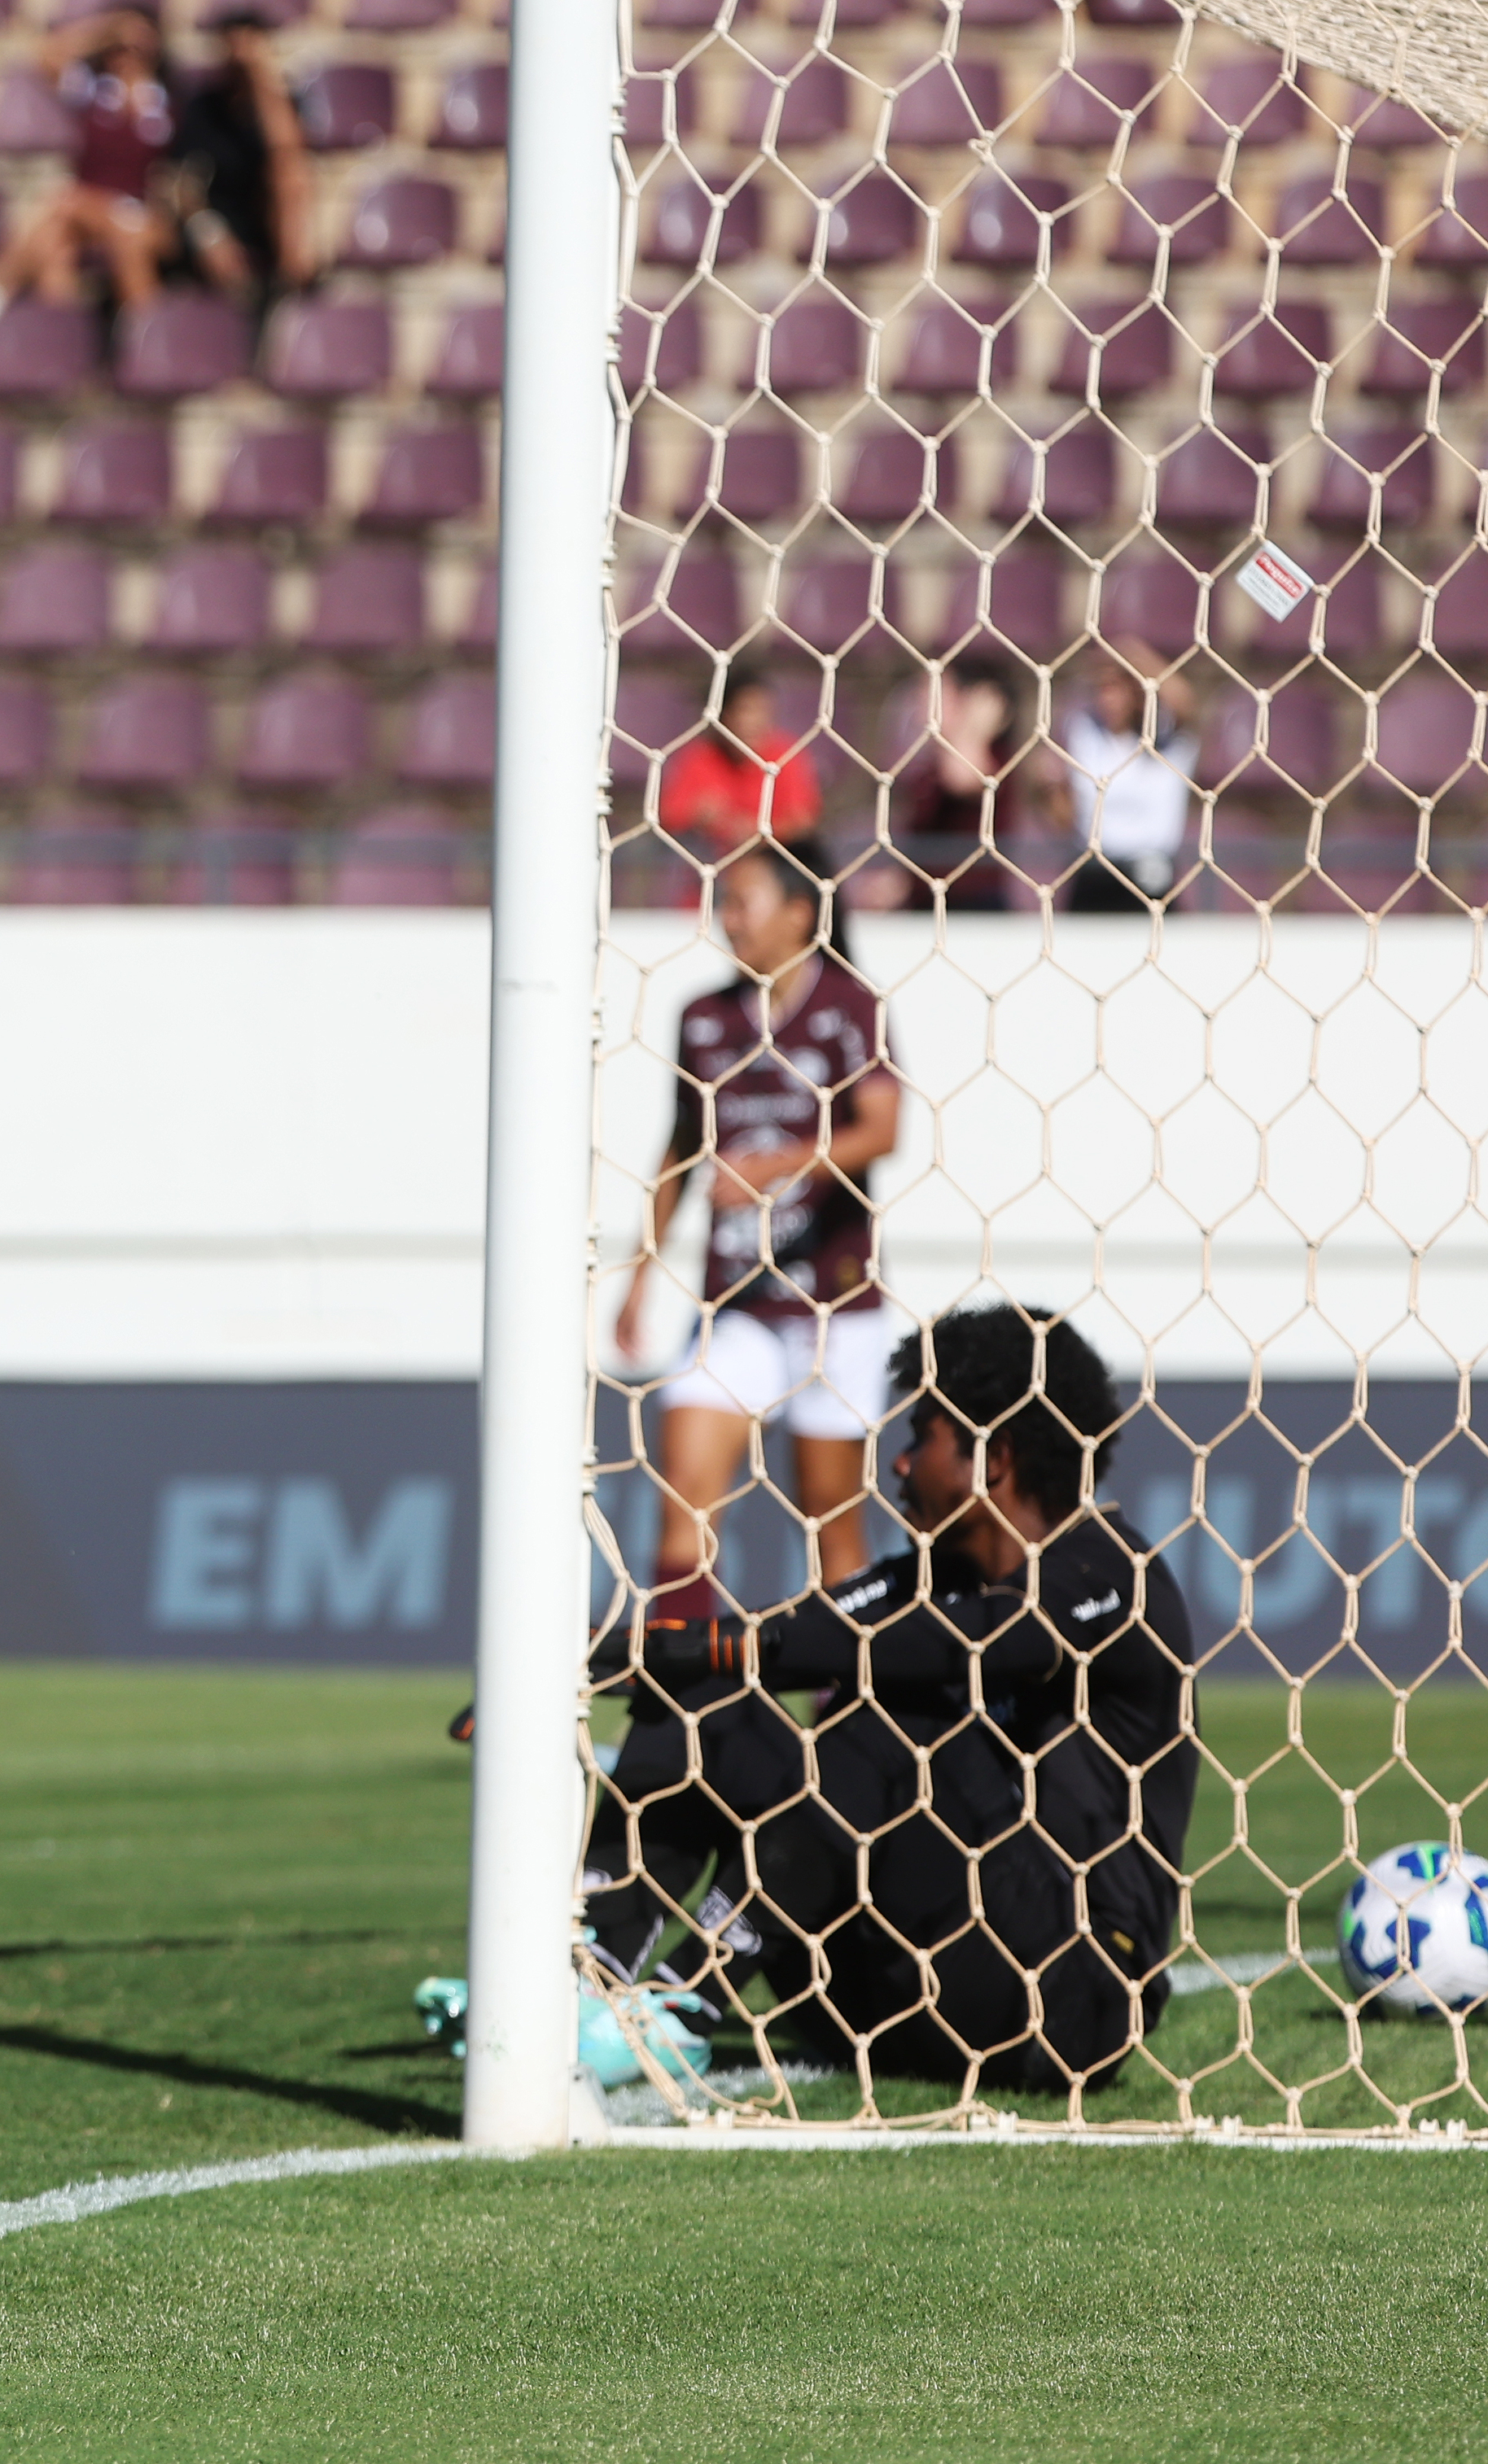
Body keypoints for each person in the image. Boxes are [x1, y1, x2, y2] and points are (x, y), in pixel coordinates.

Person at [606, 1304, 1197, 2091]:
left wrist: (734, 1646)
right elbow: (791, 1634)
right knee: (706, 1696)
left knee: (893, 1713)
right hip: (874, 1993)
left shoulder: (1109, 1575)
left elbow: (986, 1640)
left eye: (920, 1435)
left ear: (992, 1457)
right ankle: (592, 1976)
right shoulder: (922, 1578)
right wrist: (574, 1672)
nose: (899, 1465)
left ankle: (681, 2002)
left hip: (1064, 1995)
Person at [615, 841, 904, 1617]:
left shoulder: (849, 1007)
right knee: (685, 1495)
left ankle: (847, 1716)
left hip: (834, 1307)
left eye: (744, 901)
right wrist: (639, 1281)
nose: (728, 919)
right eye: (725, 901)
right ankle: (681, 1719)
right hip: (735, 1304)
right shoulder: (704, 1020)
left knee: (833, 1530)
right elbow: (680, 1151)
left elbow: (882, 1130)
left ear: (801, 914)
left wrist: (780, 1165)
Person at [0, 4, 175, 381]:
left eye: (136, 48)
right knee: (54, 246)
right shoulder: (96, 93)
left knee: (69, 210)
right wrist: (105, 29)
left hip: (143, 213)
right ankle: (68, 350)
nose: (126, 57)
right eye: (119, 49)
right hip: (94, 214)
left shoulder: (168, 102)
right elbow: (46, 55)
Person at [172, 8, 316, 308]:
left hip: (267, 216)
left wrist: (260, 78)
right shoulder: (203, 107)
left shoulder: (281, 103)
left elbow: (286, 150)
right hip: (220, 218)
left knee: (289, 175)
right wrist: (209, 234)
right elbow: (185, 183)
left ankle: (290, 286)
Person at [1054, 645, 1195, 915]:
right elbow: (1063, 813)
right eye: (1102, 688)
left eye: (1116, 688)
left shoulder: (1166, 740)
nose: (1108, 699)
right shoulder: (1083, 734)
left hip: (1151, 873)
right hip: (1093, 870)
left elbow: (1185, 701)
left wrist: (1132, 654)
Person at [883, 654, 1028, 913]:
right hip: (927, 905)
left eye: (936, 690)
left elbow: (962, 781)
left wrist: (973, 725)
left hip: (973, 910)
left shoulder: (993, 757)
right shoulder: (928, 767)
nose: (922, 699)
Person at [656, 676, 822, 883]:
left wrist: (758, 831)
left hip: (771, 872)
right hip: (708, 870)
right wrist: (700, 815)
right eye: (746, 710)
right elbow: (667, 817)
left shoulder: (787, 755)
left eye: (762, 711)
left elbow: (803, 821)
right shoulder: (699, 757)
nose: (754, 721)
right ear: (725, 715)